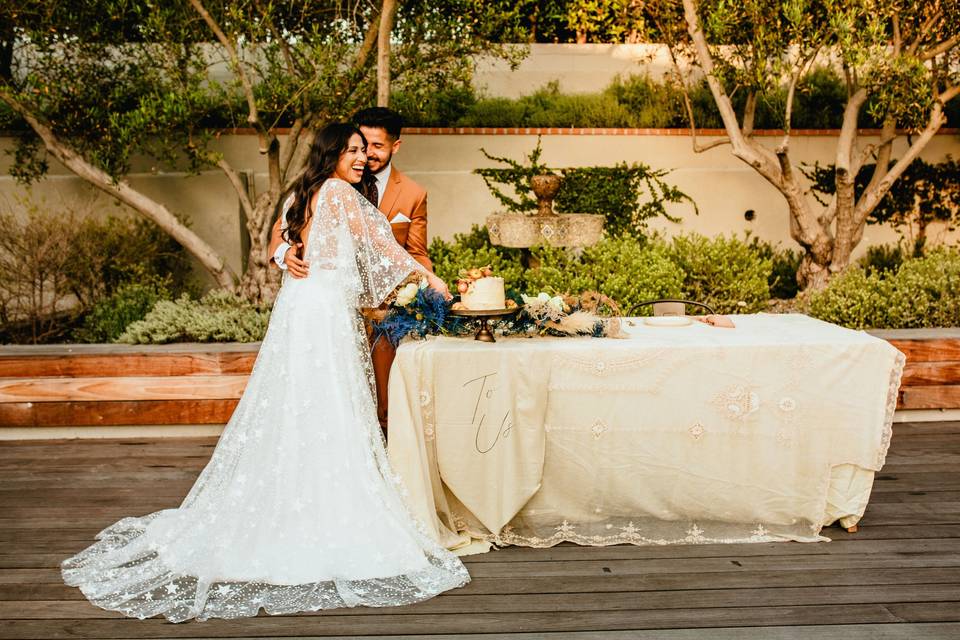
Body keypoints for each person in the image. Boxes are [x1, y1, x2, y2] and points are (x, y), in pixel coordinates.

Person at [61, 123, 469, 623]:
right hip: (321, 314)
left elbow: (311, 237)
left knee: (303, 404)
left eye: (365, 151)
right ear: (333, 153)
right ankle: (324, 508)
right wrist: (430, 278)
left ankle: (297, 496)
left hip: (303, 308)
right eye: (352, 149)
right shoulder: (339, 192)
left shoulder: (312, 189)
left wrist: (296, 253)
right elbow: (376, 248)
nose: (361, 158)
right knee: (330, 404)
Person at [270, 107, 429, 434]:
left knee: (380, 400)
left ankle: (386, 456)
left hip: (382, 313)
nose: (367, 155)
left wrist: (424, 291)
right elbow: (281, 230)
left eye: (374, 147)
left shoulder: (413, 193)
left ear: (394, 146)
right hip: (332, 307)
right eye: (358, 146)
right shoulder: (329, 185)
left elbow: (416, 252)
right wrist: (286, 253)